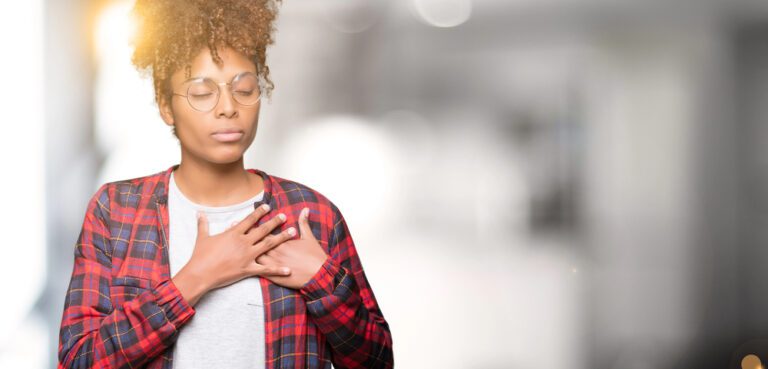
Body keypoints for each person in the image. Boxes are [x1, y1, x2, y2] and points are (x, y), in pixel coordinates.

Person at [56, 1, 393, 368]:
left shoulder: (311, 216)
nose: (228, 107)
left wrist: (322, 282)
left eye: (244, 89)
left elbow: (377, 361)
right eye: (202, 93)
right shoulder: (116, 210)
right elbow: (79, 361)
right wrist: (196, 278)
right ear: (165, 105)